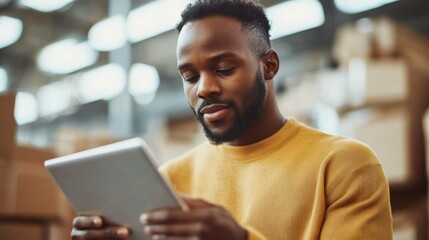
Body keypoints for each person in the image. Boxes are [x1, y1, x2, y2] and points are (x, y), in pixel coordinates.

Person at [71, 0, 393, 239]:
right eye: (190, 76)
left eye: (223, 69)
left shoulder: (346, 167)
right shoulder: (169, 182)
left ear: (268, 66)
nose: (204, 89)